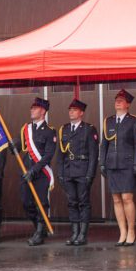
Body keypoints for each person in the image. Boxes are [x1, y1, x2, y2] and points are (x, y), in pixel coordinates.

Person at [101, 89, 136, 246]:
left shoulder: (133, 121)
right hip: (112, 164)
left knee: (127, 198)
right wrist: (103, 163)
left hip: (127, 165)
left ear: (128, 104)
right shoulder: (109, 121)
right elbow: (104, 144)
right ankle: (122, 231)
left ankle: (131, 231)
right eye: (116, 99)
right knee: (116, 199)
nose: (117, 102)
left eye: (121, 100)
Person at [58, 98, 99, 247]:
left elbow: (94, 154)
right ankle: (74, 233)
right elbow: (61, 154)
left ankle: (82, 234)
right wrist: (60, 173)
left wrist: (90, 174)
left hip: (82, 170)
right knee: (71, 203)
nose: (71, 112)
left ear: (81, 113)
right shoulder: (64, 129)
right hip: (68, 170)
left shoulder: (89, 129)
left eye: (74, 110)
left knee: (83, 203)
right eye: (70, 110)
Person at [21, 97, 57, 247]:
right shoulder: (26, 129)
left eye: (35, 108)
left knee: (41, 203)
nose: (32, 110)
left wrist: (34, 170)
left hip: (41, 173)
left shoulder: (50, 132)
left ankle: (39, 232)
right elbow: (19, 144)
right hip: (25, 172)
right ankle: (39, 228)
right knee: (26, 202)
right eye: (32, 107)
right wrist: (12, 145)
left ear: (42, 111)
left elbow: (48, 155)